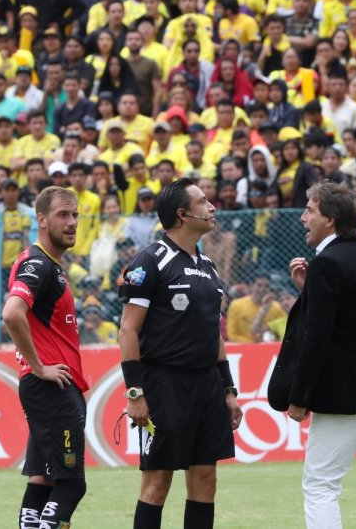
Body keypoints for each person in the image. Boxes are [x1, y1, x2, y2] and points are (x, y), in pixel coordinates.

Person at [268, 181, 356, 529]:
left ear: (329, 219)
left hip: (345, 394)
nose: (303, 217)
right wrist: (311, 290)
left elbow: (317, 338)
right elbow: (355, 317)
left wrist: (299, 397)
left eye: (310, 210)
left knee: (320, 486)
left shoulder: (328, 263)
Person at [118, 178, 240, 529]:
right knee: (157, 483)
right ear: (182, 215)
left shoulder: (209, 266)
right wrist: (136, 392)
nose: (212, 207)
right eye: (203, 202)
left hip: (206, 387)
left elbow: (213, 332)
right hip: (163, 384)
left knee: (206, 479)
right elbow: (128, 330)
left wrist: (228, 390)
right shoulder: (149, 261)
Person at [1, 186, 88, 529]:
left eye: (75, 215)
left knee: (43, 480)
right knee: (72, 483)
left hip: (45, 387)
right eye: (62, 215)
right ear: (41, 220)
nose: (72, 223)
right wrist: (40, 367)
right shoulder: (39, 264)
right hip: (51, 388)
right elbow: (12, 313)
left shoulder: (46, 264)